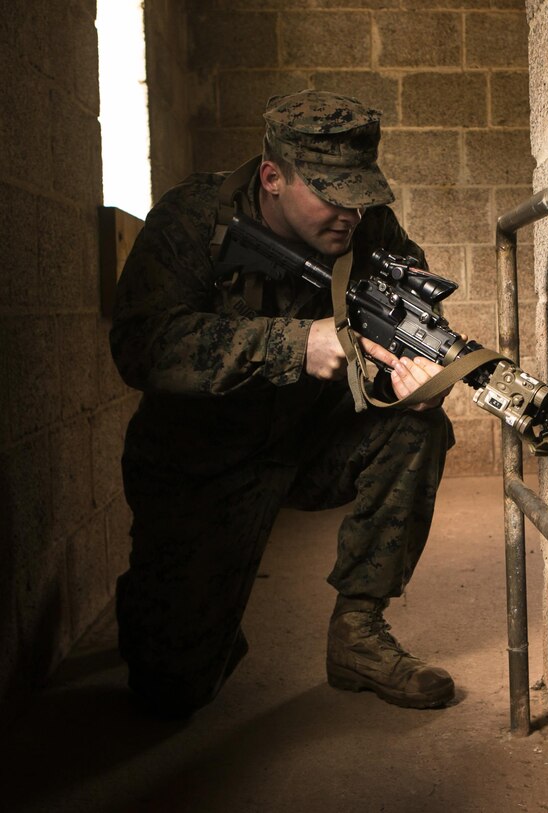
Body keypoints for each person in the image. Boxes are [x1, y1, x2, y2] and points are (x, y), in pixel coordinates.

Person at [109, 89, 457, 718]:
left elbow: (415, 304)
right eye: (331, 191)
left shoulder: (366, 224)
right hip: (200, 466)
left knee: (416, 429)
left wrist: (423, 375)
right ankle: (171, 601)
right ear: (272, 177)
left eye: (363, 193)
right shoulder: (192, 218)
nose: (352, 212)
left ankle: (357, 633)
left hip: (306, 444)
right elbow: (139, 345)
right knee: (172, 689)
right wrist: (293, 345)